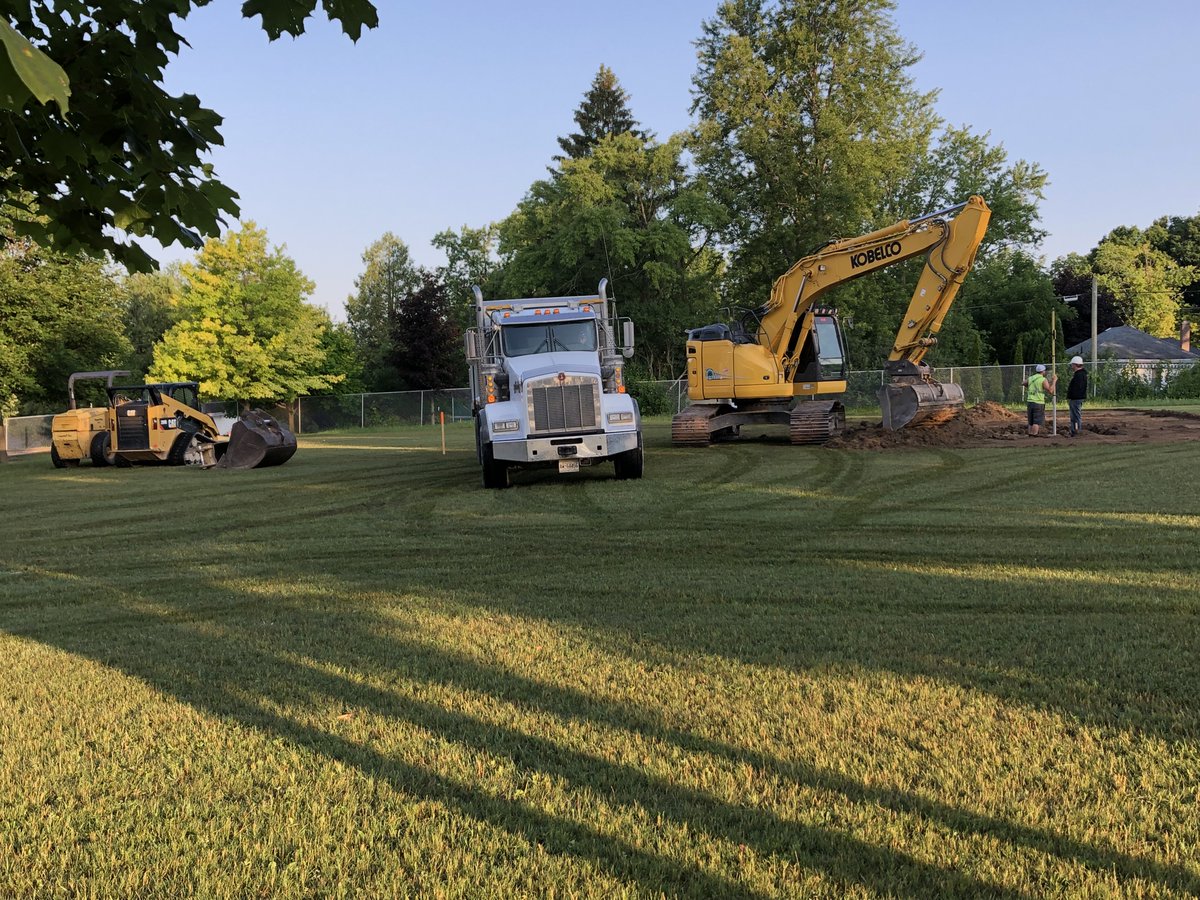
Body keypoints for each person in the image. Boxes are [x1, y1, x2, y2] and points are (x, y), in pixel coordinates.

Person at [1021, 364, 1057, 436]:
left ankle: (1030, 434)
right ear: (1043, 371)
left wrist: (1029, 386)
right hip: (1038, 402)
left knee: (1031, 421)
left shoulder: (1031, 378)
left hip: (1030, 401)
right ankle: (1034, 435)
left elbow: (1023, 383)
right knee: (1036, 421)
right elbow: (1050, 390)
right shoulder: (1043, 379)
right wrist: (1054, 381)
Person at [1066, 355, 1088, 436]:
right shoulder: (1081, 374)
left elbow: (1077, 388)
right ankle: (1075, 430)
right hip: (1076, 398)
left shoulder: (1079, 375)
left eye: (1072, 364)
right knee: (1075, 415)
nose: (1072, 366)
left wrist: (1072, 396)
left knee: (1075, 415)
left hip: (1076, 398)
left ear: (1075, 364)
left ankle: (1076, 430)